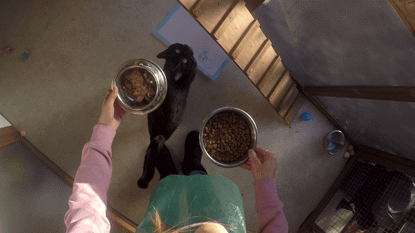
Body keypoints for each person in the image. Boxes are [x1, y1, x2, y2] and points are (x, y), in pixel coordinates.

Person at [64, 85, 288, 233]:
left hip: (164, 219)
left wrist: (104, 131)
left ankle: (169, 172)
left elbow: (87, 208)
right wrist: (265, 184)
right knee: (203, 188)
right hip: (217, 206)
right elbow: (274, 228)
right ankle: (193, 166)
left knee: (168, 191)